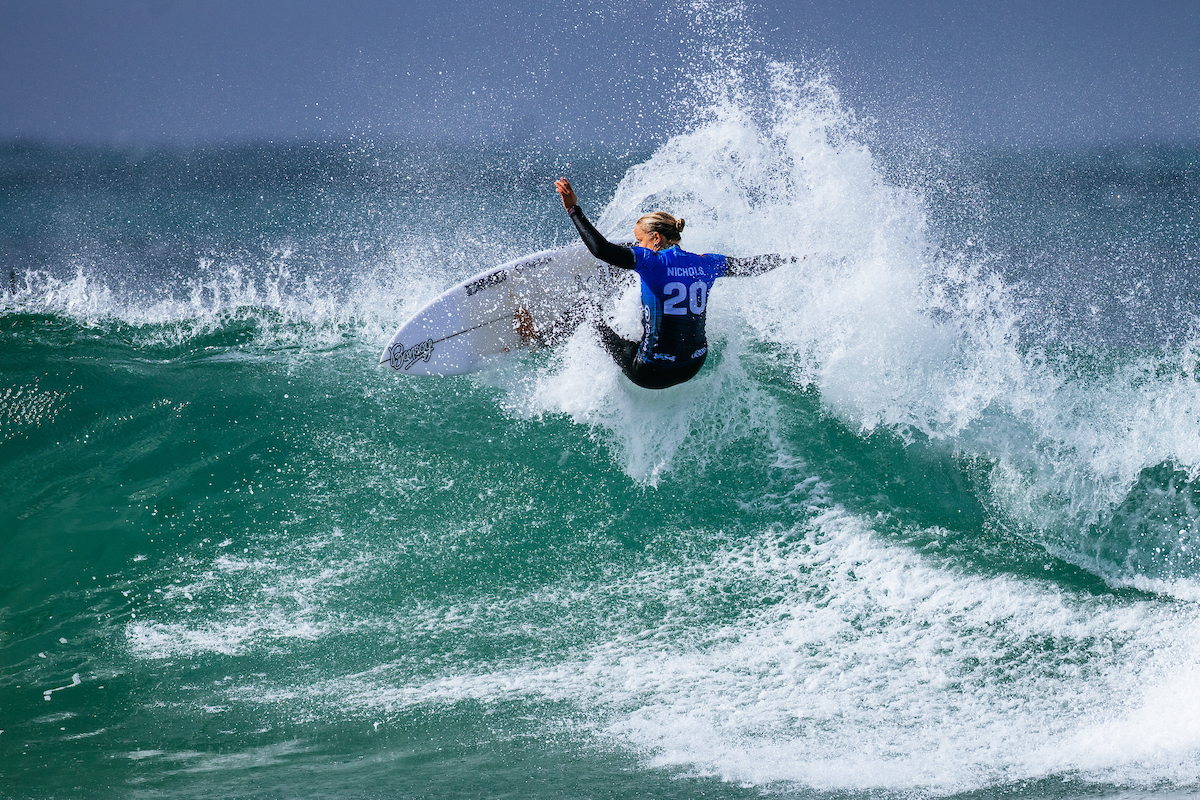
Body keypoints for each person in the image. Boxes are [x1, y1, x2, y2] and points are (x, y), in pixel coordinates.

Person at [555, 177, 795, 389]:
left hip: (650, 372)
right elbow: (749, 266)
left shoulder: (651, 261)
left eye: (639, 240)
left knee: (588, 311)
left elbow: (601, 250)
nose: (637, 246)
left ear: (656, 238)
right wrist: (790, 258)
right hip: (693, 365)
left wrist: (573, 209)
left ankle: (540, 339)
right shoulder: (707, 263)